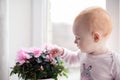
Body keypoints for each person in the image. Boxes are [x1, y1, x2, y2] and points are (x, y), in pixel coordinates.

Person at [50, 6, 120, 80]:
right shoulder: (83, 53)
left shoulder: (114, 61)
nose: (75, 41)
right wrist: (62, 52)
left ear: (96, 38)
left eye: (78, 38)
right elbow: (73, 58)